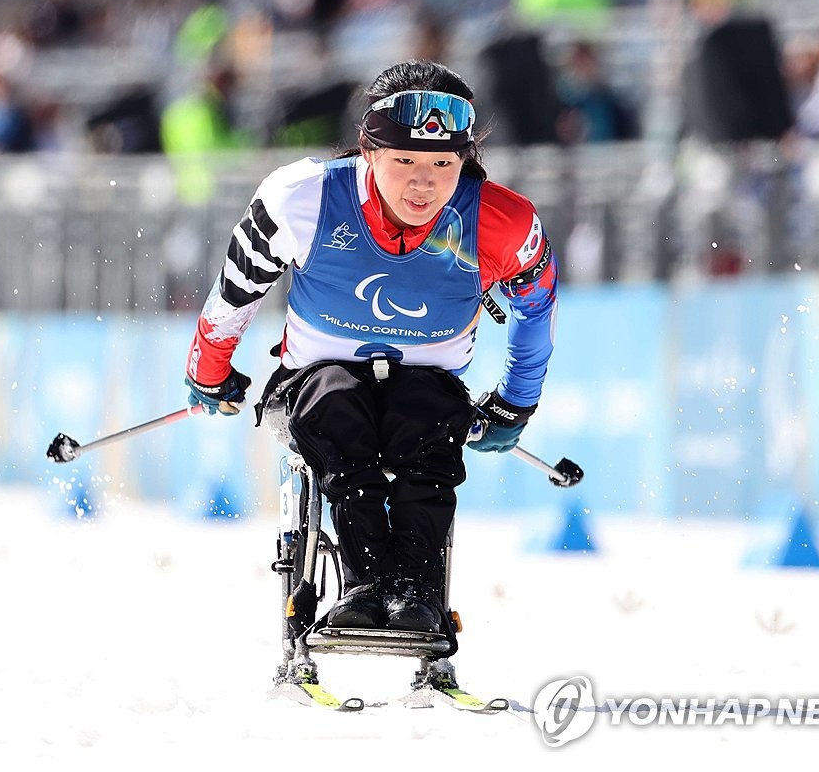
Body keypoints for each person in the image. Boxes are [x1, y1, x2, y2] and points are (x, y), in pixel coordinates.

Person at [182, 60, 559, 634]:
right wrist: (210, 371)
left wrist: (517, 401)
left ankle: (417, 596)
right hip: (316, 380)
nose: (424, 182)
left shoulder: (500, 222)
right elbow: (235, 293)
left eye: (443, 163)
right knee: (340, 405)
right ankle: (364, 585)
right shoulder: (302, 199)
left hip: (429, 387)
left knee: (424, 416)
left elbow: (536, 308)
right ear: (368, 151)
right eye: (404, 160)